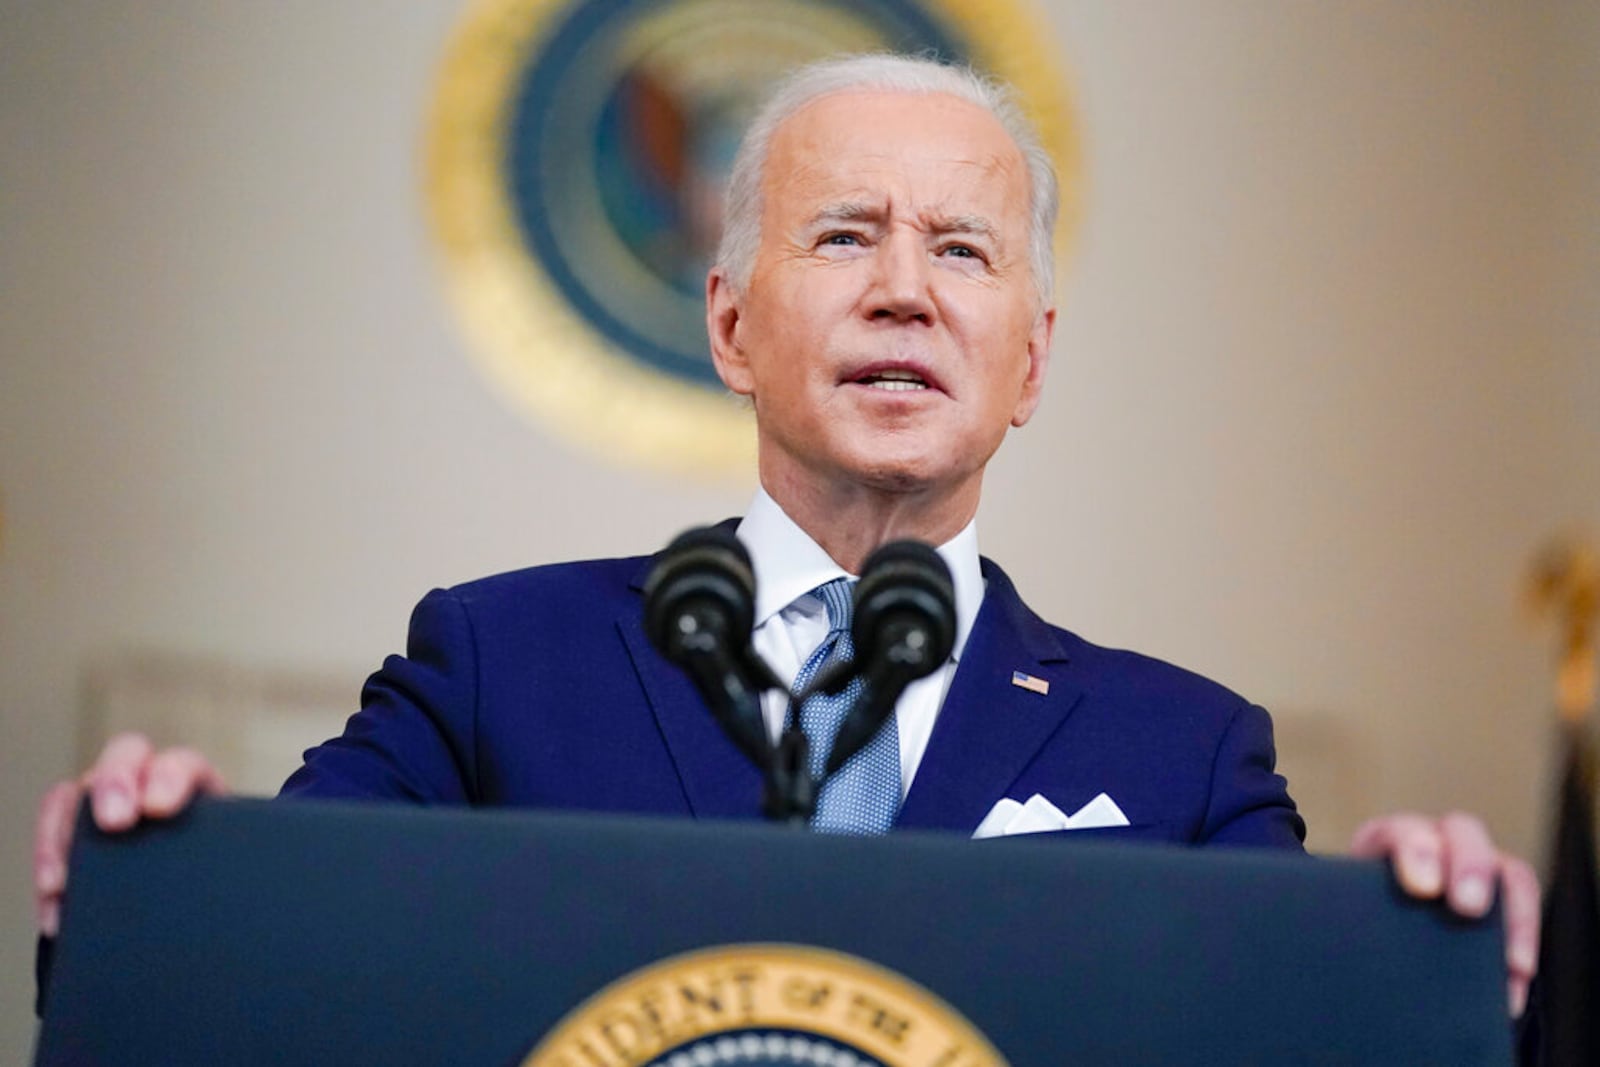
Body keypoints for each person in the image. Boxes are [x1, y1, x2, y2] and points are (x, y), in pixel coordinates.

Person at [32, 53, 1540, 1018]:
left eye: (963, 250)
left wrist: (1421, 942)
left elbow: (1302, 1037)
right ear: (733, 324)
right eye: (844, 237)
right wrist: (156, 850)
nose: (905, 292)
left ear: (1032, 359)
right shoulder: (500, 664)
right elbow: (262, 960)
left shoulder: (1188, 757)